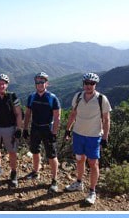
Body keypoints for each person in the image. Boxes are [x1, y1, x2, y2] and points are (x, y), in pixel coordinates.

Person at [64, 72, 111, 205]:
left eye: (92, 83)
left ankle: (92, 191)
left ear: (95, 85)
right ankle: (79, 183)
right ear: (83, 84)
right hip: (78, 134)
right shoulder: (78, 96)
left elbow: (106, 119)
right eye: (87, 83)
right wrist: (68, 129)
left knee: (93, 163)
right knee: (79, 160)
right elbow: (73, 114)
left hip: (94, 136)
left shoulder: (102, 99)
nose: (89, 86)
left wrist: (105, 137)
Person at [22, 72, 61, 193]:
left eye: (42, 82)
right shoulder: (32, 97)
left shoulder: (52, 98)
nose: (39, 84)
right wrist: (25, 129)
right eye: (37, 82)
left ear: (46, 83)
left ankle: (54, 180)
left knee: (51, 155)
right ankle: (35, 172)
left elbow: (57, 117)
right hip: (35, 127)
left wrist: (54, 133)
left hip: (47, 129)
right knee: (35, 151)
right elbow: (28, 113)